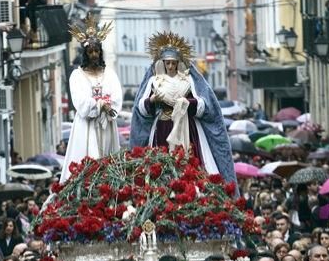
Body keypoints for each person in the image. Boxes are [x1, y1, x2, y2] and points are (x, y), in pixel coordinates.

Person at [130, 31, 237, 187]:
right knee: (160, 165)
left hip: (187, 128)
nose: (171, 66)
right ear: (163, 63)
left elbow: (203, 105)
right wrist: (153, 100)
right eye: (168, 63)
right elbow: (141, 108)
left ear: (179, 62)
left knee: (188, 162)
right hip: (162, 127)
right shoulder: (155, 81)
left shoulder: (188, 80)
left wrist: (187, 103)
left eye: (174, 63)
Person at [60, 13, 123, 184]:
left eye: (97, 51)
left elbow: (117, 97)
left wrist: (108, 105)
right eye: (91, 51)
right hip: (86, 126)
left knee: (107, 161)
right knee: (88, 162)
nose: (94, 54)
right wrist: (99, 104)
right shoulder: (77, 76)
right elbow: (80, 102)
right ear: (85, 53)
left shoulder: (109, 74)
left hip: (106, 125)